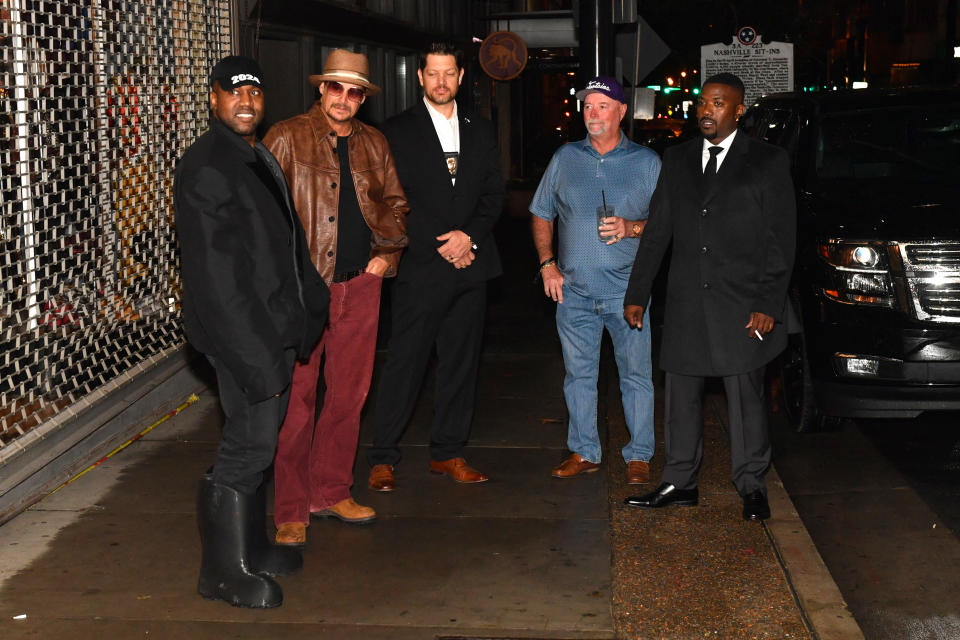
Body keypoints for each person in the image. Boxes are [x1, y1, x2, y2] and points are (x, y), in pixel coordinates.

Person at [174, 56, 329, 608]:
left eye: (255, 94)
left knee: (260, 444)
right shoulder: (207, 165)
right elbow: (216, 280)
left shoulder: (254, 154)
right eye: (234, 94)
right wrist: (255, 354)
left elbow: (284, 243)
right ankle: (221, 573)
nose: (246, 103)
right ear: (214, 98)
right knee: (249, 446)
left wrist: (312, 308)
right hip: (244, 337)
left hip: (275, 328)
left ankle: (252, 547)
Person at [622, 72, 796, 521]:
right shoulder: (676, 159)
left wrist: (768, 304)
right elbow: (658, 230)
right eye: (703, 102)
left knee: (746, 399)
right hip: (686, 301)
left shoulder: (768, 161)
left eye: (718, 103)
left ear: (739, 110)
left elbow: (780, 240)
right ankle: (680, 481)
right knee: (680, 396)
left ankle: (752, 484)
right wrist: (637, 292)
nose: (706, 110)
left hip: (743, 302)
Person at [263, 49, 408, 546]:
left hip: (359, 286)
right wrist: (280, 280)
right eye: (336, 88)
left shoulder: (375, 143)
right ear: (320, 89)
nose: (344, 98)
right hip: (304, 291)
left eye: (355, 91)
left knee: (348, 397)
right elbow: (261, 214)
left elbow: (394, 203)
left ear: (363, 98)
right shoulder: (285, 136)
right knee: (297, 401)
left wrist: (385, 257)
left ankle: (331, 490)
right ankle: (291, 508)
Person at [366, 41, 504, 491]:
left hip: (471, 266)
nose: (441, 82)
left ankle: (448, 453)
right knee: (406, 363)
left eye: (450, 74)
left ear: (462, 77)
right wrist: (441, 242)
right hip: (421, 268)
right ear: (420, 77)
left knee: (461, 365)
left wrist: (470, 238)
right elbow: (391, 199)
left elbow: (492, 195)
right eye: (433, 74)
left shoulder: (481, 129)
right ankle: (383, 456)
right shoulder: (395, 131)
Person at [529, 76, 661, 485]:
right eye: (588, 106)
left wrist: (630, 228)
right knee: (579, 375)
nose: (593, 113)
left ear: (622, 112)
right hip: (574, 292)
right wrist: (547, 264)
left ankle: (639, 455)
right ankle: (585, 450)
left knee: (636, 374)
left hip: (628, 293)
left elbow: (666, 224)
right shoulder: (566, 158)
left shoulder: (646, 162)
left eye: (603, 106)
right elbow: (540, 211)